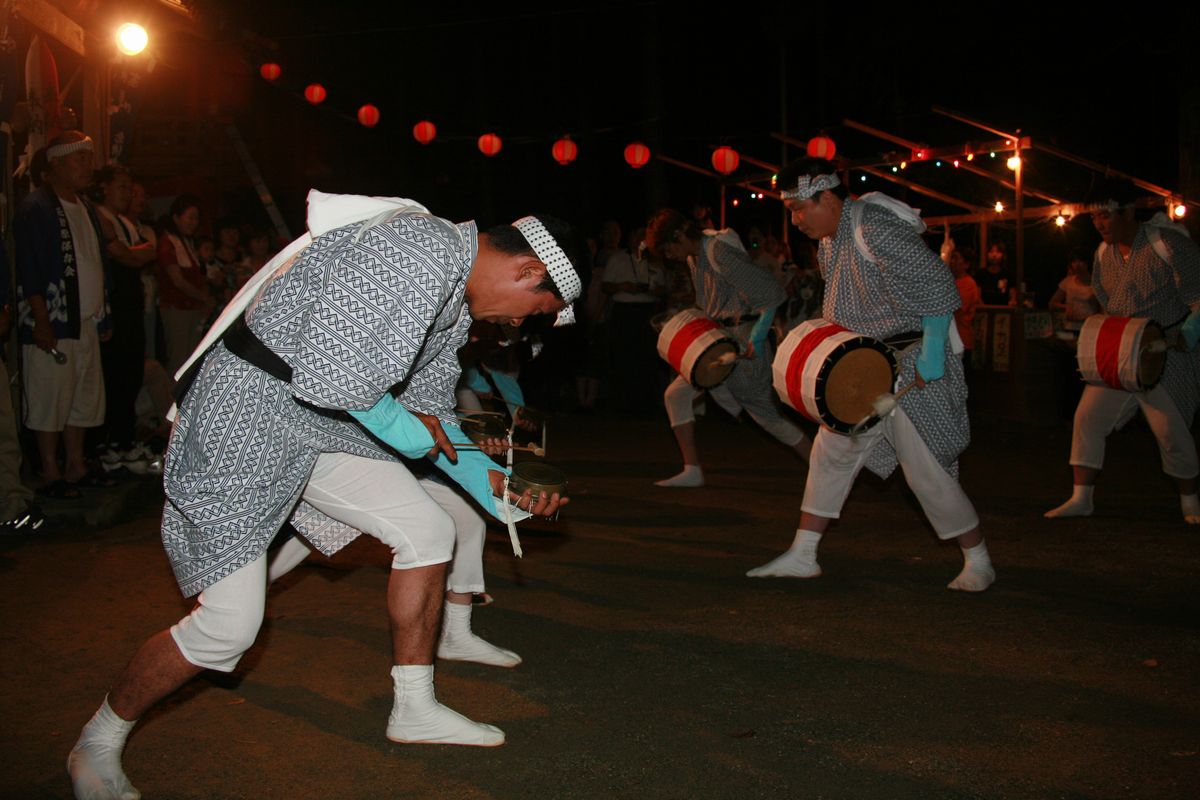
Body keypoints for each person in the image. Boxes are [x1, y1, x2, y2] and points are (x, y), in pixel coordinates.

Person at [67, 196, 579, 800]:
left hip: (318, 424)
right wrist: (417, 434)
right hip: (246, 415)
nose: (518, 324)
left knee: (429, 529)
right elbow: (339, 380)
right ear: (527, 272)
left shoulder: (448, 293)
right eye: (535, 311)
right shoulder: (418, 247)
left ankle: (414, 708)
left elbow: (435, 415)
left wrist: (504, 492)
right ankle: (97, 741)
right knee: (229, 629)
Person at [748, 158, 995, 591]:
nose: (797, 220)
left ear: (828, 197)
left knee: (926, 471)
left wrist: (933, 352)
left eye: (801, 208)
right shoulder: (830, 240)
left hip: (909, 368)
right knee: (831, 452)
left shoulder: (873, 227)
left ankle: (979, 559)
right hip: (865, 368)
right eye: (791, 211)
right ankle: (804, 553)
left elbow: (937, 283)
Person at [1045, 179, 1200, 524]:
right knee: (1088, 416)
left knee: (1170, 431)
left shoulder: (1167, 243)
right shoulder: (1104, 254)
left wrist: (1188, 333)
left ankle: (1191, 501)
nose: (1099, 224)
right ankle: (1081, 497)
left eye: (1105, 215)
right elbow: (1107, 302)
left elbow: (1198, 297)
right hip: (1121, 351)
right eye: (1095, 217)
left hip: (1163, 352)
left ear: (1127, 212)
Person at [647, 209, 811, 488]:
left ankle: (821, 466)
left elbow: (771, 292)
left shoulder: (718, 251)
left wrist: (757, 336)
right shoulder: (695, 256)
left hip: (740, 341)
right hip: (717, 341)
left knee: (766, 416)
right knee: (676, 394)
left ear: (678, 237)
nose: (668, 256)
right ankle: (692, 469)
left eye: (667, 249)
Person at [13, 131, 112, 499]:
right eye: (79, 158)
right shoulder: (36, 207)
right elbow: (30, 267)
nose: (88, 165)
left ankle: (75, 465)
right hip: (52, 322)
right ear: (55, 164)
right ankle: (50, 471)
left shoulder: (85, 207)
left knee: (82, 399)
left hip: (84, 320)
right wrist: (40, 319)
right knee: (49, 397)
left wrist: (103, 315)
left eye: (89, 157)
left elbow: (96, 262)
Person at [93, 165, 157, 473]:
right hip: (115, 306)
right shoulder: (100, 217)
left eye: (129, 187)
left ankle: (125, 439)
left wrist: (139, 250)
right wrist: (139, 251)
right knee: (115, 374)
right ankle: (111, 443)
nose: (127, 192)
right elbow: (129, 256)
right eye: (121, 186)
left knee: (131, 373)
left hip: (133, 306)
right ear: (104, 187)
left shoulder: (125, 222)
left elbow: (147, 250)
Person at [155, 194, 210, 375]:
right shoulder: (167, 242)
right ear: (176, 218)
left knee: (191, 356)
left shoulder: (186, 242)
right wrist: (204, 298)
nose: (194, 222)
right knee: (178, 357)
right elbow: (177, 280)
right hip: (176, 308)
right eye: (190, 217)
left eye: (196, 218)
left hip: (192, 308)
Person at [1048, 248, 1100, 333]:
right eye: (1074, 261)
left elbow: (1103, 309)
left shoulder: (1096, 284)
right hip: (1069, 327)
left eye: (1080, 261)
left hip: (1089, 328)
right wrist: (1066, 307)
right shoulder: (1068, 281)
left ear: (1087, 263)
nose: (1077, 264)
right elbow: (1052, 303)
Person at [948, 245, 981, 364]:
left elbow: (956, 307)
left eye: (956, 258)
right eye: (952, 258)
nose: (952, 262)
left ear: (966, 264)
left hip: (961, 339)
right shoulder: (950, 281)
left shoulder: (968, 284)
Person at [976, 241, 1015, 306]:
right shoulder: (981, 273)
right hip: (984, 311)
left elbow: (1012, 296)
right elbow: (977, 296)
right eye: (991, 252)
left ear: (1003, 255)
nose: (994, 255)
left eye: (998, 252)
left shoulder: (1008, 274)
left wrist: (1012, 301)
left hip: (1004, 311)